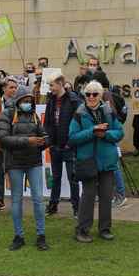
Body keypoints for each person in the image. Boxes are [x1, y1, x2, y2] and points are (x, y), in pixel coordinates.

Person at [70, 80, 125, 243]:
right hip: (88, 161)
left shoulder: (109, 111)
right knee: (87, 197)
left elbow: (119, 132)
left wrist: (106, 135)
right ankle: (82, 230)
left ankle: (105, 229)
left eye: (95, 94)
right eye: (88, 94)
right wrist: (92, 131)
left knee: (106, 196)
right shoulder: (79, 114)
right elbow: (72, 138)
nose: (91, 97)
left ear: (101, 95)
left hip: (107, 161)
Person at [0, 86, 49, 251]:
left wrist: (44, 141)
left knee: (38, 200)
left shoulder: (34, 116)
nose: (27, 103)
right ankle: (18, 236)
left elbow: (43, 134)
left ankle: (41, 235)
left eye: (29, 100)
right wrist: (29, 141)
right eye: (25, 100)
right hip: (15, 164)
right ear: (18, 100)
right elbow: (3, 138)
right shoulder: (7, 114)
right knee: (17, 200)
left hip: (34, 162)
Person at [44, 74, 81, 217]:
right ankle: (53, 206)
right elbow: (47, 122)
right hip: (55, 146)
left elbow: (78, 123)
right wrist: (50, 142)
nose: (50, 88)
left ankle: (76, 207)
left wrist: (70, 143)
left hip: (69, 147)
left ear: (60, 84)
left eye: (52, 85)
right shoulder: (51, 100)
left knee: (73, 179)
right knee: (56, 177)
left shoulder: (73, 100)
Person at [0, 76, 19, 212]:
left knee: (14, 173)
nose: (13, 90)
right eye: (11, 87)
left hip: (13, 146)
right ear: (4, 88)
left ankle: (16, 201)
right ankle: (0, 201)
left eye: (15, 87)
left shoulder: (19, 103)